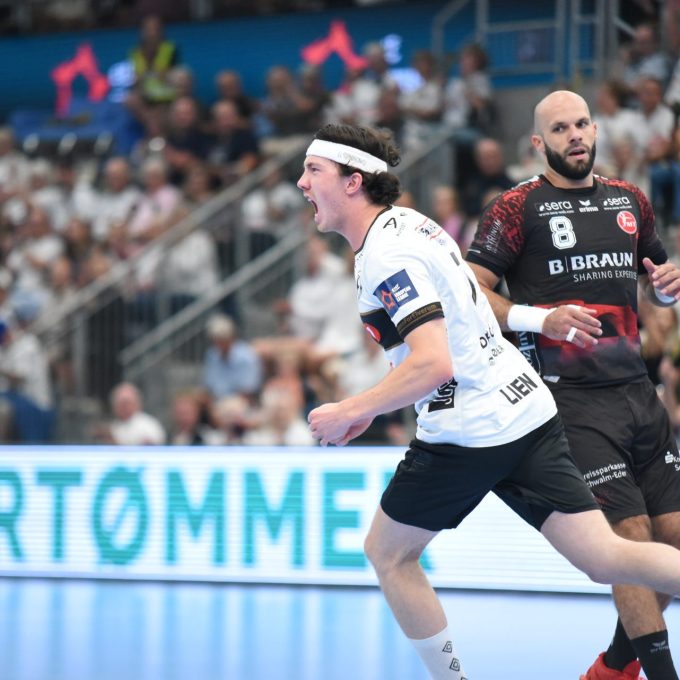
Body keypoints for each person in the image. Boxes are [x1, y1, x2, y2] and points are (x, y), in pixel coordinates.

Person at [299, 121, 680, 680]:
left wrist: (352, 409)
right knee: (605, 556)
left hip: (470, 430)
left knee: (389, 554)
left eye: (314, 170)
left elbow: (434, 363)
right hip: (524, 407)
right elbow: (461, 321)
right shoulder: (412, 224)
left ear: (353, 182)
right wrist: (379, 402)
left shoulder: (386, 255)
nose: (303, 183)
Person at [465, 90, 680, 680]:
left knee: (671, 545)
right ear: (539, 142)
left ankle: (613, 668)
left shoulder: (629, 199)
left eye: (582, 123)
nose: (575, 135)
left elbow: (655, 280)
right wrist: (540, 319)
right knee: (628, 538)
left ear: (596, 129)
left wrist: (666, 287)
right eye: (560, 129)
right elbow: (470, 293)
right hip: (570, 402)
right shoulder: (515, 207)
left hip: (639, 393)